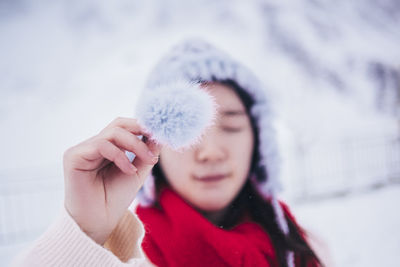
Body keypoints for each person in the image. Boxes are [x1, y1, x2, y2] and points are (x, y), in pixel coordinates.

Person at [13, 39, 322, 267]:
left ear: (259, 141)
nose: (211, 152)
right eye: (187, 129)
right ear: (152, 140)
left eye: (231, 126)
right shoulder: (123, 257)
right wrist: (84, 231)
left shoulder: (300, 246)